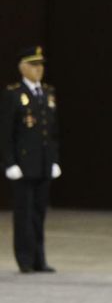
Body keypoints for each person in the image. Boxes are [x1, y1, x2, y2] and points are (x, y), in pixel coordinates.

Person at [2, 46, 61, 274]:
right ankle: (25, 259)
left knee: (39, 213)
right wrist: (9, 163)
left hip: (43, 164)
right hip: (23, 165)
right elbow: (6, 133)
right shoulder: (13, 94)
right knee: (24, 214)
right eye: (34, 65)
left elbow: (52, 132)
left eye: (41, 65)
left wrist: (54, 160)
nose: (39, 70)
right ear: (22, 67)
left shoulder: (47, 93)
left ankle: (39, 259)